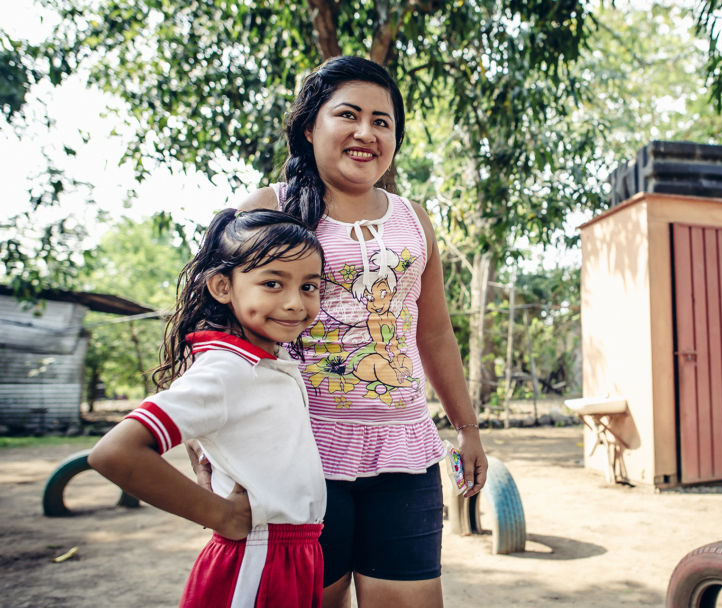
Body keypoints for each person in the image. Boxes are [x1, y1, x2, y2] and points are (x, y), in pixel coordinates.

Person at [227, 54, 488, 608]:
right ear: (309, 126)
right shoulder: (266, 209)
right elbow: (217, 329)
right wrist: (211, 443)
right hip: (298, 453)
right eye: (348, 115)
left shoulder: (414, 219)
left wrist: (467, 427)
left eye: (383, 121)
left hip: (404, 454)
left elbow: (434, 333)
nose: (366, 132)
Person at [89, 209, 328, 607]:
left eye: (309, 286)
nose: (294, 303)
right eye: (272, 283)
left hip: (291, 552)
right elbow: (114, 453)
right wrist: (221, 514)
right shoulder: (227, 369)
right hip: (256, 558)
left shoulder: (266, 361)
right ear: (222, 286)